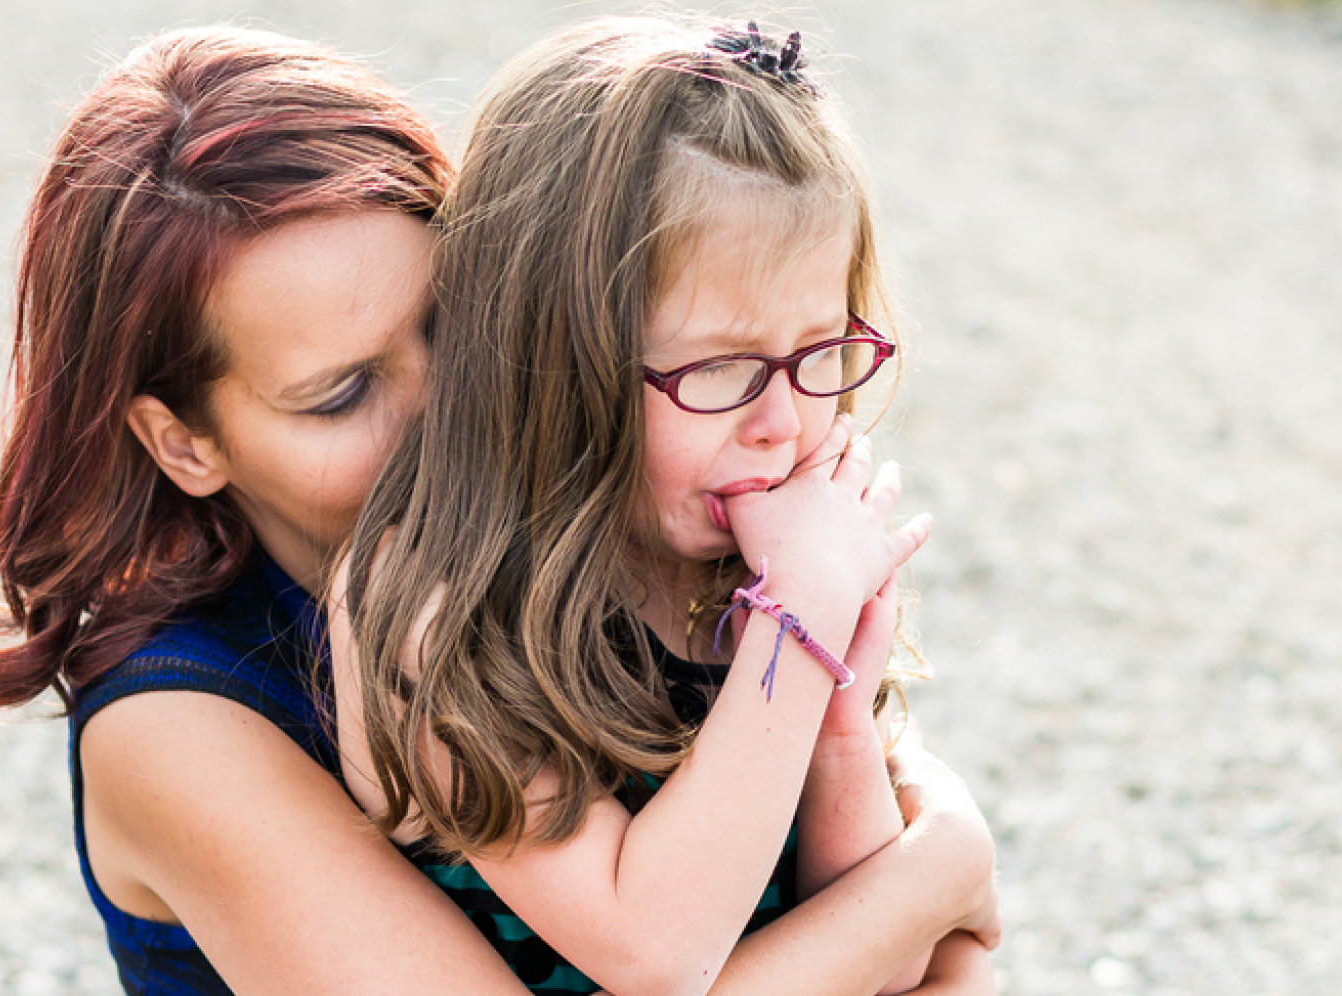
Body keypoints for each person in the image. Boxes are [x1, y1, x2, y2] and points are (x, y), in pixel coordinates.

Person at [0, 24, 998, 996]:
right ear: (185, 441)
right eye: (340, 395)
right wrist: (942, 868)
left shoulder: (577, 555)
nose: (446, 410)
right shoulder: (179, 725)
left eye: (453, 325)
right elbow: (804, 927)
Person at [337, 16, 993, 996]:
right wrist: (801, 621)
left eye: (819, 353)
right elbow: (655, 951)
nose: (783, 422)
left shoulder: (760, 556)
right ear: (554, 361)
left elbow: (884, 959)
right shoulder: (430, 607)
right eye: (723, 366)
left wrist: (843, 728)